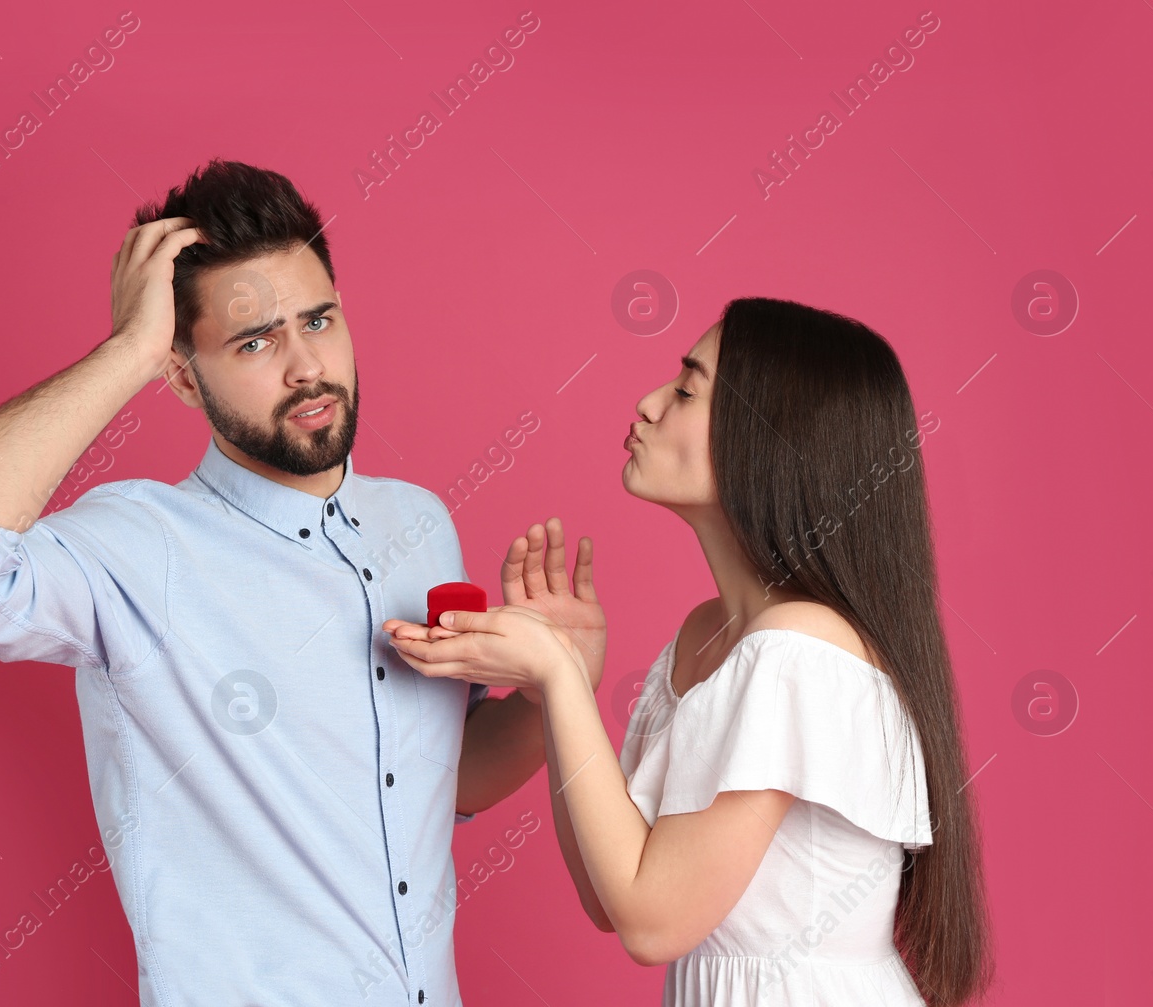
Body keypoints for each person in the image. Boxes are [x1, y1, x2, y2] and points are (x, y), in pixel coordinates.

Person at [0, 159, 579, 1006]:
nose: (306, 365)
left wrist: (550, 685)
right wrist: (127, 349)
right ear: (183, 375)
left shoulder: (418, 525)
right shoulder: (137, 547)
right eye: (255, 340)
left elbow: (439, 784)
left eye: (318, 319)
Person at [383, 297, 996, 1006]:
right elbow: (611, 896)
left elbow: (652, 922)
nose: (646, 404)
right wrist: (561, 684)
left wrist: (558, 677)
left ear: (768, 438)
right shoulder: (711, 632)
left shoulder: (800, 649)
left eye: (684, 390)